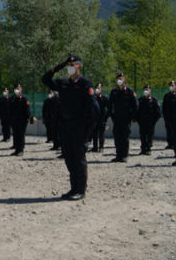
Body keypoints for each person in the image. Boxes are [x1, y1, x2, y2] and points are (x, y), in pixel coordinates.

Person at [42, 55, 98, 200]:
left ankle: (80, 190)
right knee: (69, 158)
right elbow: (45, 80)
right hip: (66, 126)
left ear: (80, 66)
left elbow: (94, 109)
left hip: (79, 126)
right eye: (68, 64)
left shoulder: (85, 83)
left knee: (79, 158)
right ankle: (73, 189)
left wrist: (89, 130)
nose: (70, 67)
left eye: (73, 64)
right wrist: (58, 66)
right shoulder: (64, 83)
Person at [109, 73, 137, 162]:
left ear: (124, 80)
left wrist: (132, 117)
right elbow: (110, 105)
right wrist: (112, 116)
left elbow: (135, 105)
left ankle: (124, 155)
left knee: (124, 137)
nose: (119, 80)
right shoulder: (114, 91)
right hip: (116, 118)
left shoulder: (129, 91)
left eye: (121, 78)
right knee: (117, 137)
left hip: (126, 118)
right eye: (118, 79)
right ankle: (118, 155)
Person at [136, 85, 161, 155]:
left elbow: (158, 112)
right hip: (142, 121)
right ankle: (143, 149)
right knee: (142, 135)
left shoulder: (154, 100)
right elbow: (137, 111)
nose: (146, 91)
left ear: (150, 91)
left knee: (150, 135)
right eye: (144, 90)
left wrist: (154, 121)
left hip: (151, 121)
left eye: (147, 89)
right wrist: (137, 119)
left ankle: (148, 148)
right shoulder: (140, 100)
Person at [9, 84, 31, 156]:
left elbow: (28, 111)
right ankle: (16, 149)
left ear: (21, 89)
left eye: (18, 88)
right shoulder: (12, 98)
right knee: (15, 135)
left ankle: (21, 150)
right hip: (14, 120)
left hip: (22, 121)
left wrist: (26, 119)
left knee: (21, 135)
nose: (17, 90)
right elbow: (9, 110)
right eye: (16, 88)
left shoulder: (24, 98)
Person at [92, 83, 109, 152]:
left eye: (99, 88)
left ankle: (101, 147)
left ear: (101, 89)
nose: (97, 90)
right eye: (96, 88)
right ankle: (95, 147)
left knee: (101, 133)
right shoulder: (93, 98)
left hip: (102, 119)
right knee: (94, 133)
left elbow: (109, 108)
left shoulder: (104, 98)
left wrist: (106, 117)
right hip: (94, 118)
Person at [162, 80, 176, 149]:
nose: (171, 87)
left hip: (175, 117)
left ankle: (175, 143)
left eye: (172, 85)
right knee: (168, 130)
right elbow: (164, 106)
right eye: (170, 86)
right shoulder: (166, 96)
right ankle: (170, 144)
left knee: (175, 131)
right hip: (168, 116)